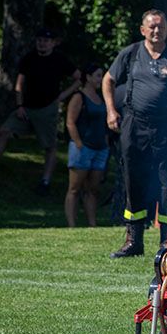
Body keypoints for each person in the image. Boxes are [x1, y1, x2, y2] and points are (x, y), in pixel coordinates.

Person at [103, 9, 167, 258]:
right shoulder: (131, 54)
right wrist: (111, 111)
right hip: (134, 125)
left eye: (161, 26)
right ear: (143, 30)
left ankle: (166, 242)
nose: (157, 31)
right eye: (152, 26)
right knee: (133, 181)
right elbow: (108, 80)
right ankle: (133, 241)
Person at [0, 28, 81, 194]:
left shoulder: (60, 59)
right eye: (40, 40)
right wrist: (19, 105)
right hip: (27, 107)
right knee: (4, 130)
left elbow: (78, 78)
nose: (42, 43)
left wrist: (62, 95)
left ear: (52, 43)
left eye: (46, 41)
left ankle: (45, 181)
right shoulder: (29, 58)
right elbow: (19, 84)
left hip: (48, 108)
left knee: (49, 146)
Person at [64, 63, 109, 227]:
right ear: (88, 77)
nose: (101, 79)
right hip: (83, 148)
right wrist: (79, 144)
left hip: (100, 148)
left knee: (92, 189)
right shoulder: (79, 97)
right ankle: (71, 224)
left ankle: (92, 224)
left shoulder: (101, 97)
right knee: (74, 188)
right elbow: (70, 122)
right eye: (98, 75)